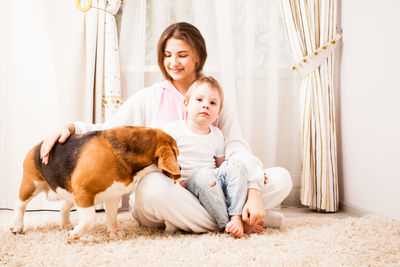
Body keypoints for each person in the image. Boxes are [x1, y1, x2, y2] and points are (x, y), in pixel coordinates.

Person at [40, 22, 292, 234]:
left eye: (182, 54)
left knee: (281, 177)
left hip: (212, 188)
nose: (173, 62)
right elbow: (110, 130)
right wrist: (73, 126)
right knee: (152, 189)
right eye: (167, 55)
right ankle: (235, 220)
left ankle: (219, 219)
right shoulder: (149, 97)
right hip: (171, 193)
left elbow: (236, 147)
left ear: (198, 56)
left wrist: (254, 190)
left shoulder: (214, 97)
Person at [164, 76, 247, 237]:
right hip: (187, 183)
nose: (205, 106)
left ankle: (236, 216)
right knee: (203, 174)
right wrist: (174, 179)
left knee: (236, 164)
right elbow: (164, 160)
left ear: (218, 112)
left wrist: (242, 175)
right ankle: (225, 223)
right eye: (199, 100)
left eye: (212, 103)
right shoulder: (173, 130)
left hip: (212, 182)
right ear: (186, 104)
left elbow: (221, 165)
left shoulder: (217, 135)